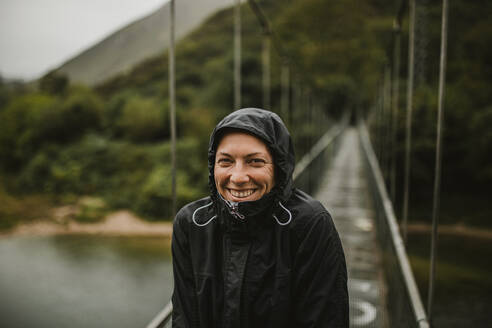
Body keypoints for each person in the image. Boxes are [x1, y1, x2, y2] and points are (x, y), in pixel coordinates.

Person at [171, 108, 348, 327]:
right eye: (225, 161)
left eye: (255, 161)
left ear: (280, 167)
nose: (237, 177)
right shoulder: (192, 224)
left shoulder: (310, 224)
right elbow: (185, 318)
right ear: (212, 166)